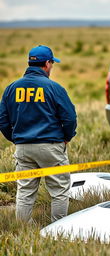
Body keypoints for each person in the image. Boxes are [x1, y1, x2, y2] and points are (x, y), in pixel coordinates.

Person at [0, 45, 77, 223]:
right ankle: (58, 229)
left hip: (23, 148)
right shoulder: (54, 88)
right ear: (47, 63)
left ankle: (23, 230)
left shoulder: (11, 88)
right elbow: (70, 117)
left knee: (25, 192)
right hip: (51, 146)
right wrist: (67, 137)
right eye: (52, 63)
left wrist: (15, 138)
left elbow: (2, 120)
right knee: (59, 191)